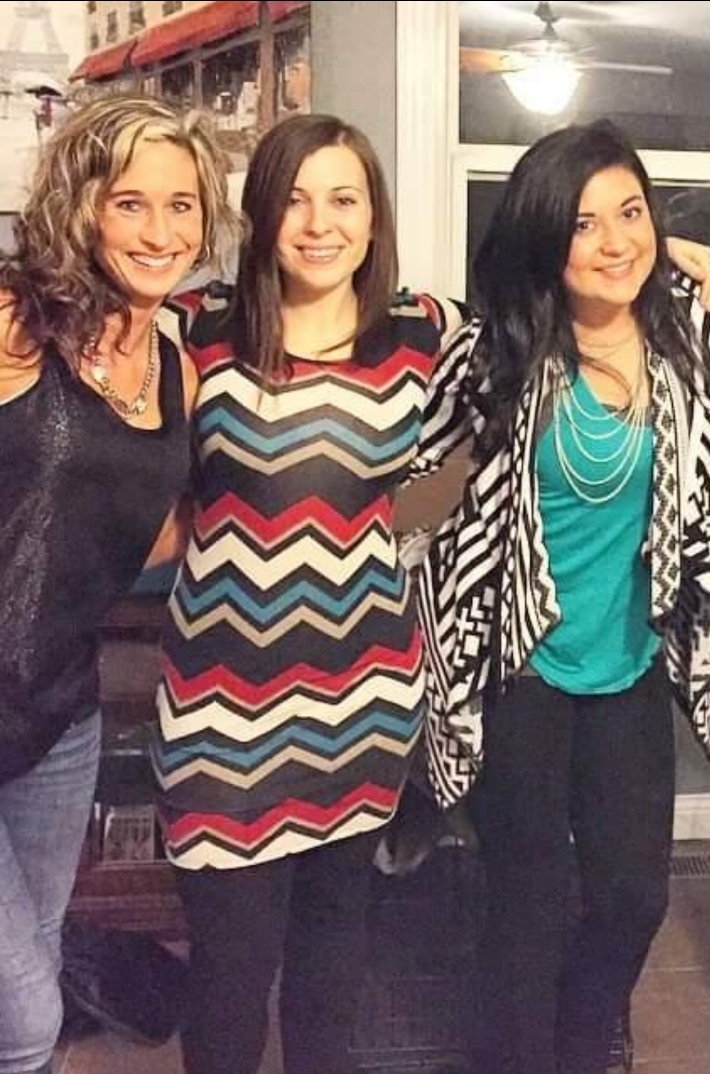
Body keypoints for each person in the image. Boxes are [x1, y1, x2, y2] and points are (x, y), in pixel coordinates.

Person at [412, 118, 710, 1074]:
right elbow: (416, 497)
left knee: (633, 898)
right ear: (544, 238)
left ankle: (580, 1040)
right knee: (525, 905)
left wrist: (682, 255)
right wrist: (446, 507)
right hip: (521, 668)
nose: (613, 242)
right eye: (584, 224)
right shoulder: (494, 357)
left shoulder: (688, 338)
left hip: (628, 665)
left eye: (631, 214)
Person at [148, 112, 470, 1074]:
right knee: (230, 983)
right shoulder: (195, 327)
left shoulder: (425, 332)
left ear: (374, 216)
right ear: (260, 213)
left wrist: (675, 259)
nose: (320, 223)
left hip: (363, 704)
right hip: (218, 713)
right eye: (294, 199)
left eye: (343, 199)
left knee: (332, 972)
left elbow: (530, 366)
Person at [0, 94, 233, 1074]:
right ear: (82, 204)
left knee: (37, 966)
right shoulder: (17, 319)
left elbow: (148, 526)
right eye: (130, 202)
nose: (159, 231)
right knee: (25, 1013)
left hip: (59, 714)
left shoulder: (176, 366)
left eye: (182, 205)